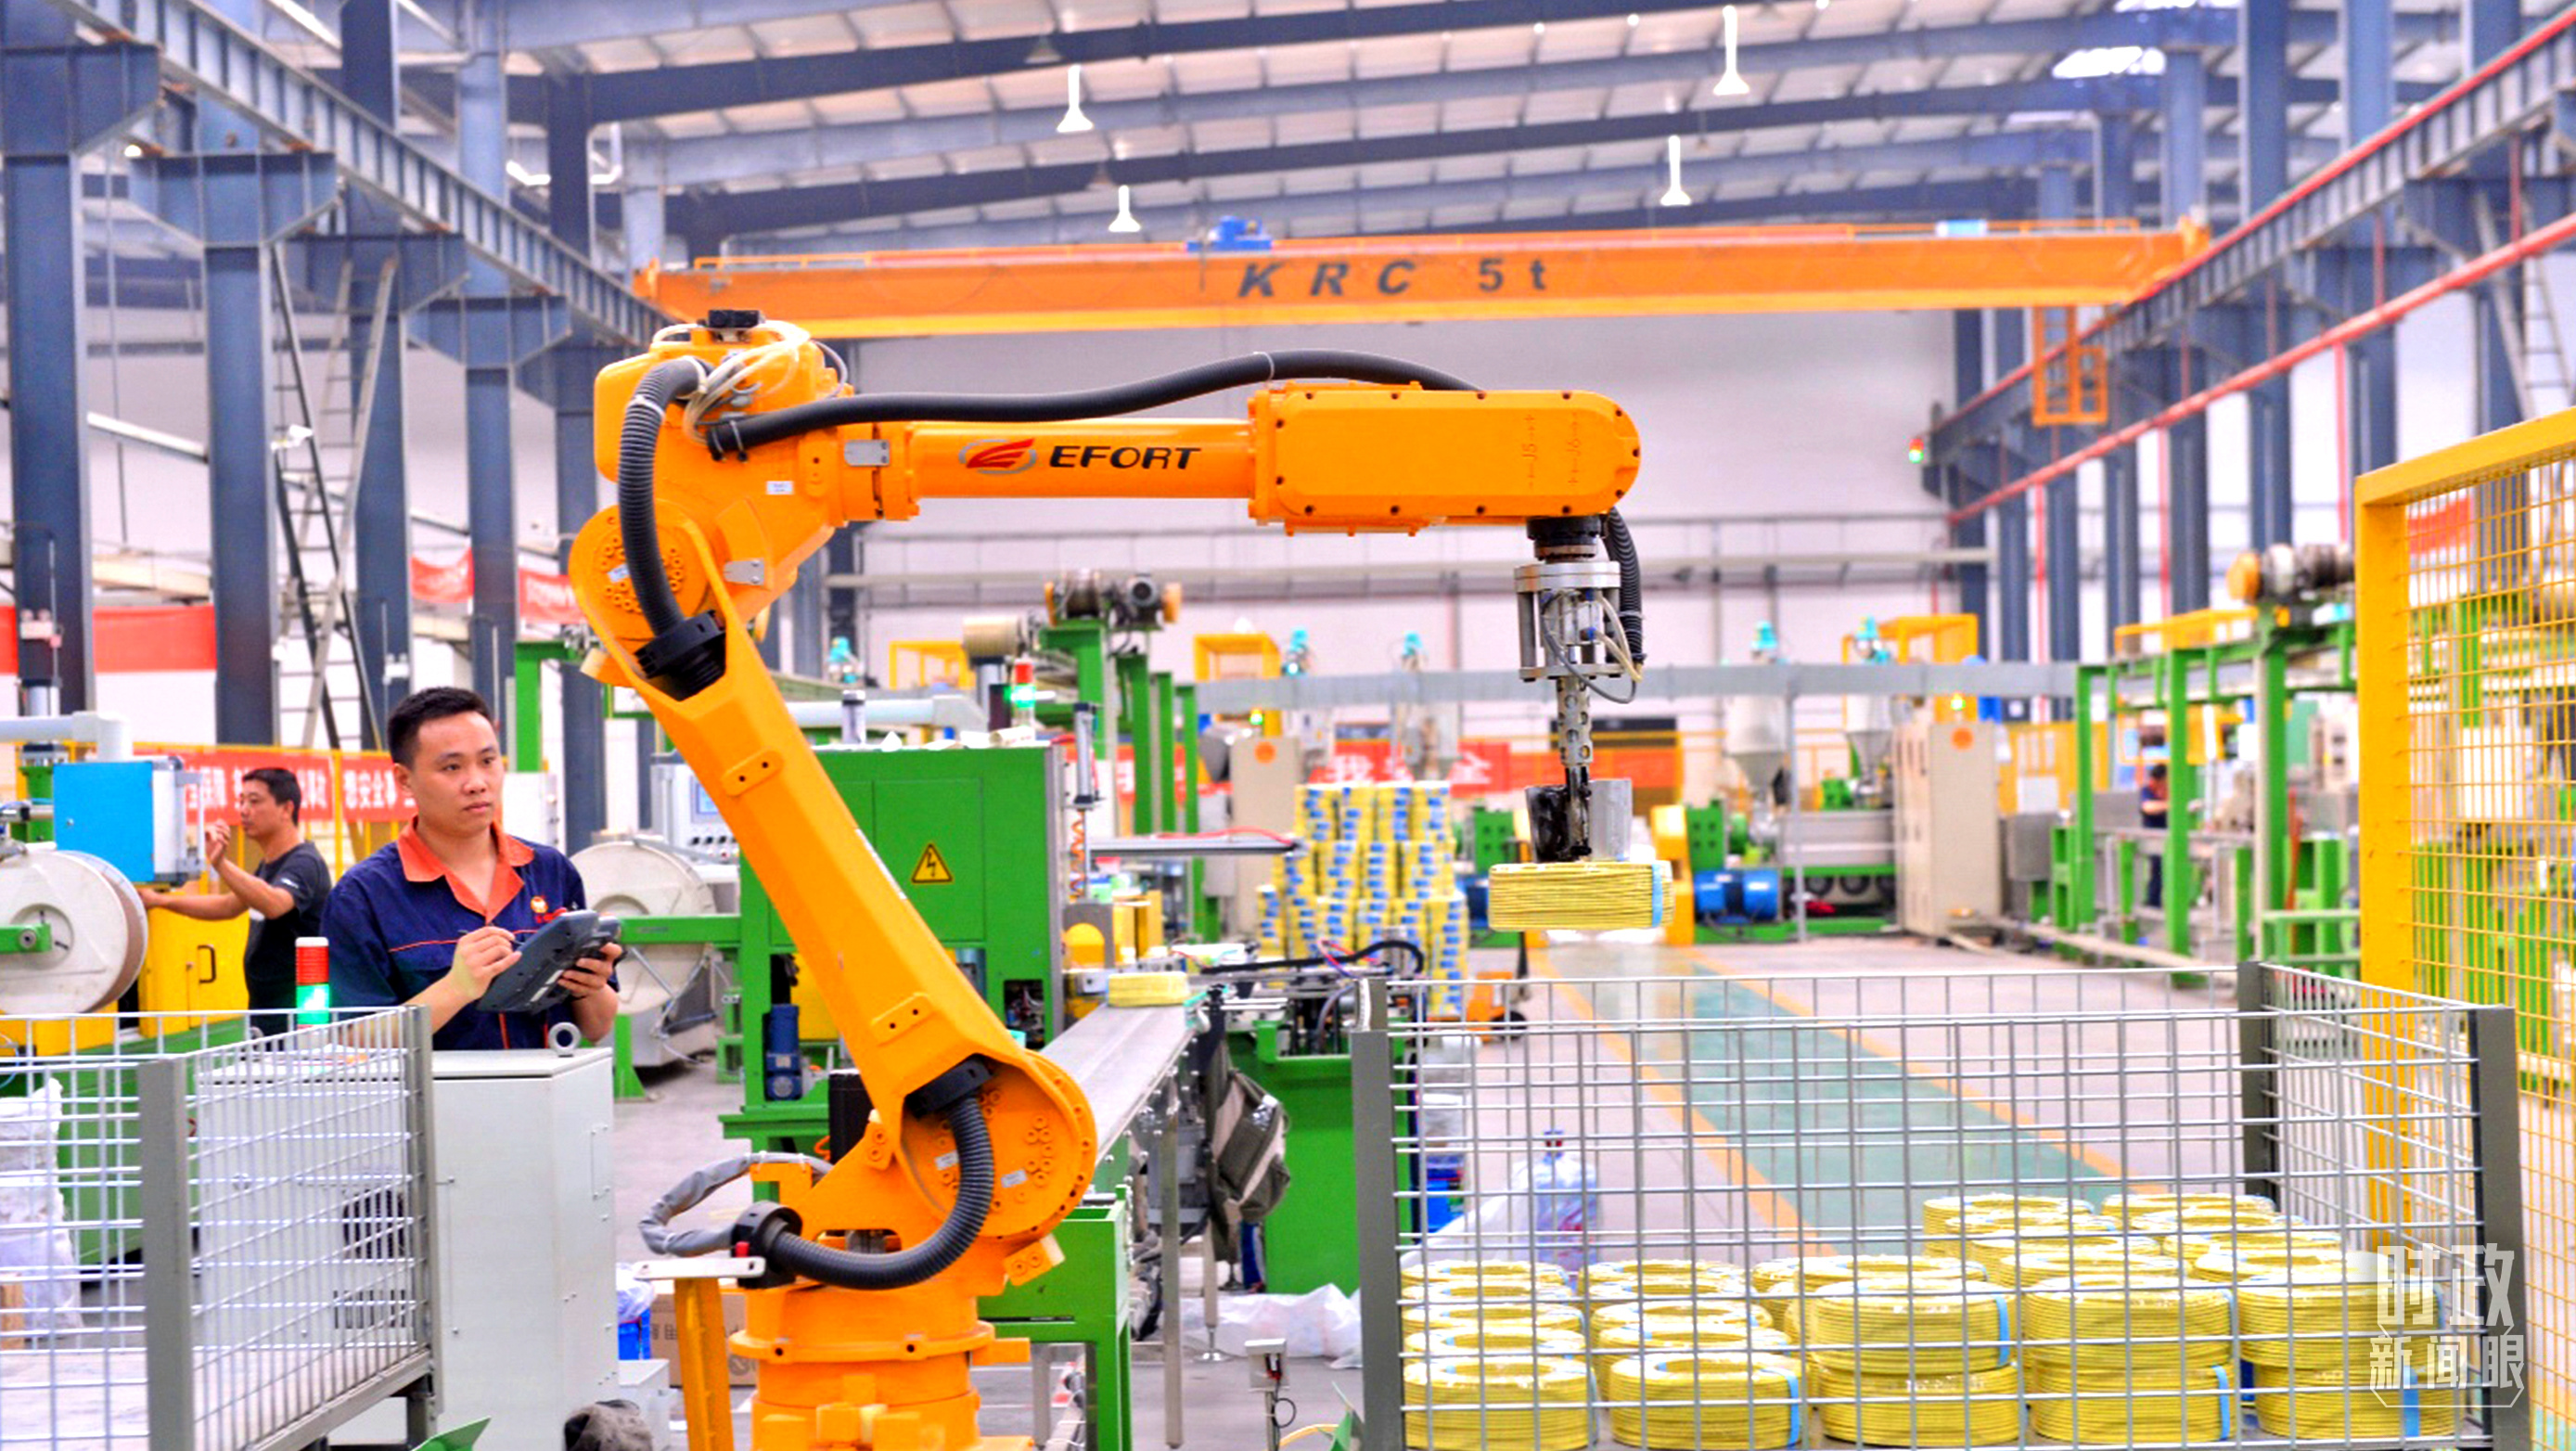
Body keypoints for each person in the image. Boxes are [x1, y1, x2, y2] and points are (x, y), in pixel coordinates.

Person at [324, 687, 622, 1050]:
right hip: (435, 1088)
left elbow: (597, 1027)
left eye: (487, 761)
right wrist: (456, 988)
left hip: (549, 1084)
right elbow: (351, 1041)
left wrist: (591, 986)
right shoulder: (364, 896)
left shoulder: (550, 871)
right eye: (452, 767)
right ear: (404, 780)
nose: (477, 783)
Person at [140, 766, 331, 1037]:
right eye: (241, 801)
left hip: (299, 1015)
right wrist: (159, 900)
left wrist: (220, 864)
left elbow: (274, 904)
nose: (244, 810)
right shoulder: (269, 866)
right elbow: (228, 906)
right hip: (266, 1010)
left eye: (254, 801)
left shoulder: (304, 863)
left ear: (286, 809)